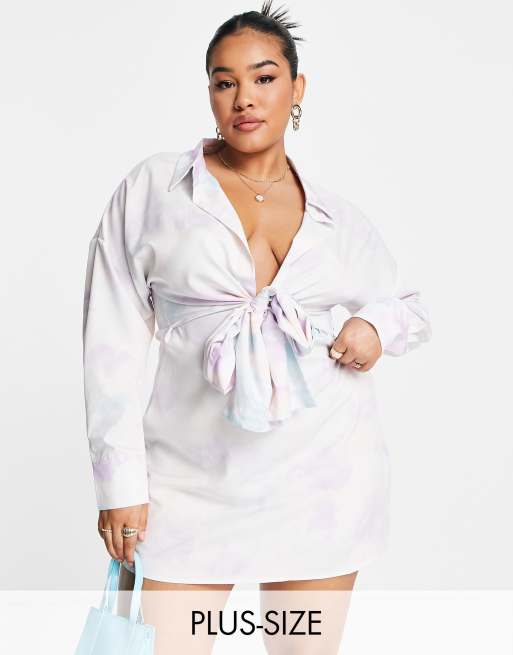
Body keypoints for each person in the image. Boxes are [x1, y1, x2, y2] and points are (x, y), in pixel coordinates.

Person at [82, 1, 432, 652]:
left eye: (264, 77)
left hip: (322, 479)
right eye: (224, 81)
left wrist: (374, 326)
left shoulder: (337, 219)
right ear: (210, 93)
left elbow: (407, 306)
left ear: (296, 89)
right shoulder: (156, 189)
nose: (244, 97)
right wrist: (119, 485)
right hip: (188, 484)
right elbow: (112, 342)